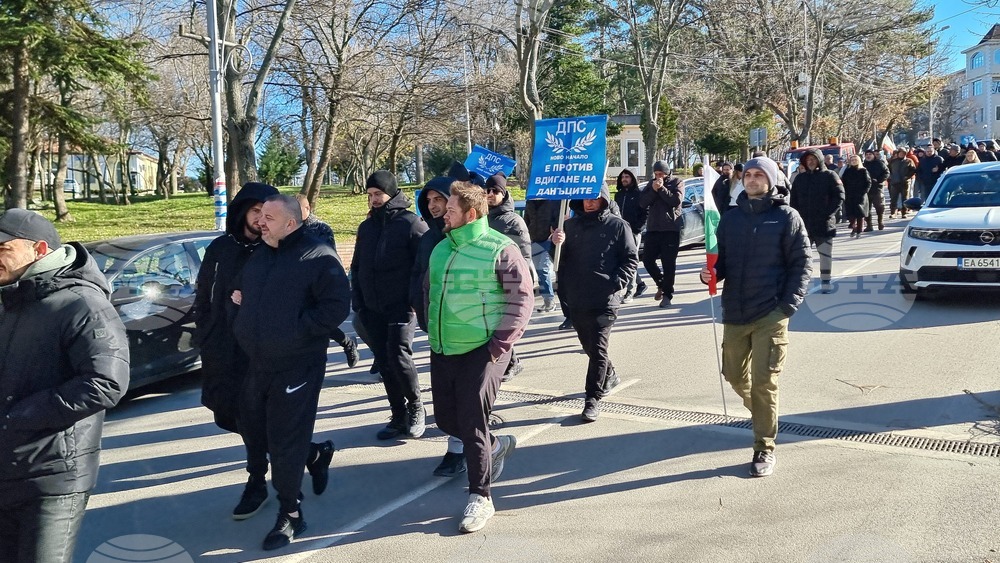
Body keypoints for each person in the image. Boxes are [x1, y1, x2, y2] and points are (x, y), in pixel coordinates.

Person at [0, 209, 130, 562]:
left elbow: (106, 382)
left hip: (54, 475)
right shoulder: (12, 300)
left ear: (39, 249)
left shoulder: (82, 304)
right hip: (9, 467)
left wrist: (21, 415)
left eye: (2, 248)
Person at [232, 194, 351, 550]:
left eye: (269, 217)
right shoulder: (260, 256)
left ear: (291, 223)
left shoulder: (317, 256)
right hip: (258, 363)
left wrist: (296, 332)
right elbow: (244, 296)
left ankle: (291, 514)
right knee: (256, 430)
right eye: (260, 216)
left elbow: (336, 307)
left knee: (285, 440)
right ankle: (316, 455)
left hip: (297, 364)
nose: (260, 221)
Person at [425, 182, 532, 533]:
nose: (442, 213)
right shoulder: (441, 249)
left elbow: (521, 300)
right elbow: (430, 293)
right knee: (445, 419)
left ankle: (480, 496)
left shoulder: (501, 248)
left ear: (470, 214)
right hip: (444, 347)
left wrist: (498, 345)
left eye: (450, 209)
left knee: (472, 423)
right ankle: (495, 445)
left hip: (483, 349)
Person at [698, 157, 812, 478]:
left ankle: (764, 445)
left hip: (770, 313)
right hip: (735, 310)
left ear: (771, 180)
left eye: (759, 175)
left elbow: (803, 264)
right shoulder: (730, 219)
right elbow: (722, 264)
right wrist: (711, 273)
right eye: (747, 174)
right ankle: (762, 411)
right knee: (733, 374)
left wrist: (787, 306)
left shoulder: (787, 217)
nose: (751, 179)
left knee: (765, 382)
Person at [550, 184, 638, 421]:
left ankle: (592, 398)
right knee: (589, 346)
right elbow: (559, 260)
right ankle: (609, 373)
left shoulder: (618, 226)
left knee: (598, 348)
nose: (589, 202)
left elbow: (631, 259)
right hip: (577, 298)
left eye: (594, 197)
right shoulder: (570, 225)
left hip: (605, 299)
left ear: (604, 198)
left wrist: (616, 283)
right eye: (585, 197)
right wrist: (555, 243)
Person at [352, 171, 428, 440]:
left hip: (400, 307)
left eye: (378, 194)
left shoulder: (411, 224)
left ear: (391, 193)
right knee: (384, 362)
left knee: (398, 356)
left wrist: (414, 299)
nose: (373, 199)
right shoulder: (367, 226)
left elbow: (424, 267)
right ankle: (397, 415)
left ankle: (416, 407)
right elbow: (357, 265)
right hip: (372, 308)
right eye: (370, 195)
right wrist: (358, 300)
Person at [409, 174, 466, 478]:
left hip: (470, 328)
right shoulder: (429, 237)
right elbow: (419, 278)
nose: (432, 206)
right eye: (428, 200)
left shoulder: (468, 235)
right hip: (438, 329)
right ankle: (465, 444)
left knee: (465, 394)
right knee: (446, 395)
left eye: (438, 200)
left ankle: (466, 449)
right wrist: (421, 313)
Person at [294, 193, 360, 368]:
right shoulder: (291, 226)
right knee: (309, 319)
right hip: (298, 283)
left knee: (319, 319)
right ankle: (346, 343)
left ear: (307, 208)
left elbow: (326, 255)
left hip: (320, 282)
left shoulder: (320, 228)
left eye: (297, 210)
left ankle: (346, 343)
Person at [484, 172, 533, 382]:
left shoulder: (514, 221)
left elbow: (524, 254)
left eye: (496, 191)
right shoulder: (481, 218)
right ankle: (510, 359)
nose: (490, 194)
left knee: (507, 321)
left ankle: (511, 362)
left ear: (504, 194)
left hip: (509, 279)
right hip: (487, 278)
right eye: (487, 190)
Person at [790, 148, 844, 294]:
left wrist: (827, 214)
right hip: (804, 224)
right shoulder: (800, 178)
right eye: (808, 160)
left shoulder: (830, 176)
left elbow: (839, 197)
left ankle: (826, 281)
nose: (811, 162)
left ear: (819, 160)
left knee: (825, 255)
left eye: (813, 159)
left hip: (824, 224)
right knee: (801, 256)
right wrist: (795, 217)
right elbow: (793, 200)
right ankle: (801, 284)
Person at [639, 160, 683, 308]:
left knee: (668, 264)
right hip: (653, 228)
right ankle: (661, 283)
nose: (658, 177)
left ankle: (667, 295)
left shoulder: (676, 182)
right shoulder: (651, 184)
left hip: (670, 229)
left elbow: (675, 201)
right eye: (656, 174)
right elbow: (642, 203)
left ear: (666, 173)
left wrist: (662, 189)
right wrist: (653, 190)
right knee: (647, 260)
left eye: (661, 174)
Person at [613, 168, 647, 302]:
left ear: (632, 178)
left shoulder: (639, 194)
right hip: (620, 232)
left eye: (627, 176)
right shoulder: (618, 195)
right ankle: (640, 284)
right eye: (622, 177)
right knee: (622, 260)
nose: (624, 179)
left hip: (633, 232)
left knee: (631, 260)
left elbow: (645, 213)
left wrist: (638, 228)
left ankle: (630, 291)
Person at [524, 197, 561, 312]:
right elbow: (526, 220)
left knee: (543, 270)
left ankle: (550, 301)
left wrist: (554, 229)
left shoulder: (553, 201)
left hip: (547, 240)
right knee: (538, 272)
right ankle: (547, 301)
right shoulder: (530, 201)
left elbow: (558, 218)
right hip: (534, 239)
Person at [840, 155, 871, 238]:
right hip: (850, 195)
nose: (853, 161)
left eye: (855, 160)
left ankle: (859, 231)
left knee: (860, 214)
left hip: (860, 195)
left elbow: (868, 182)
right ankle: (854, 227)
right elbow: (843, 182)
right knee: (851, 214)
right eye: (852, 160)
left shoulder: (863, 171)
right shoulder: (847, 171)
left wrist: (864, 192)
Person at [862, 149, 888, 232]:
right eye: (867, 154)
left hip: (877, 188)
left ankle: (880, 222)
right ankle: (869, 225)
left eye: (870, 154)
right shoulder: (863, 165)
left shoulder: (879, 163)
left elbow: (886, 172)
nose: (868, 156)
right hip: (866, 189)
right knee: (866, 208)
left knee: (879, 206)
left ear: (873, 155)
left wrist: (879, 180)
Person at [887, 148, 915, 219]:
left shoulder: (909, 161)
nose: (902, 154)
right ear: (898, 153)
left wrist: (907, 176)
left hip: (905, 183)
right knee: (893, 198)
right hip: (894, 182)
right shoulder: (893, 161)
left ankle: (904, 213)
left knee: (905, 198)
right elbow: (888, 170)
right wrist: (890, 177)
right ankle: (893, 212)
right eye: (900, 153)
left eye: (903, 153)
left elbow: (913, 170)